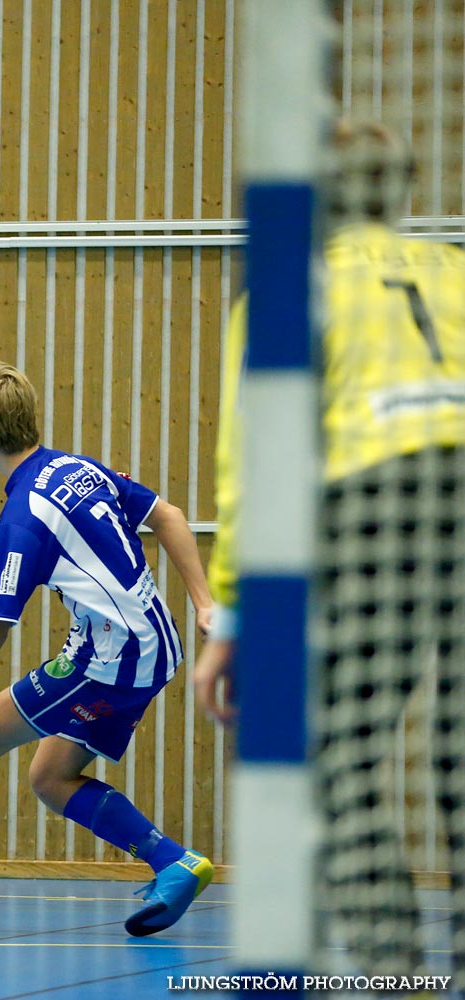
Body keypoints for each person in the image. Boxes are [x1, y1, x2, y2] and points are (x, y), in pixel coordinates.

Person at [194, 119, 465, 979]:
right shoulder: (458, 272)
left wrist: (229, 614)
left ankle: (394, 968)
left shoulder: (287, 289)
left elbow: (253, 463)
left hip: (381, 508)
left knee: (330, 754)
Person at [0, 361, 216, 936]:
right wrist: (203, 602)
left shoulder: (23, 517)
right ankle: (174, 862)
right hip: (156, 642)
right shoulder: (78, 468)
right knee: (50, 777)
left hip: (112, 658)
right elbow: (168, 515)